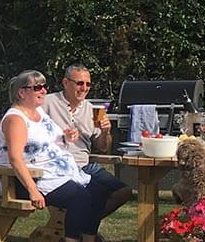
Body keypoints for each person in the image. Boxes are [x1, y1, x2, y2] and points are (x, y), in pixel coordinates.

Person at [0, 70, 111, 242]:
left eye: (44, 86)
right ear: (21, 93)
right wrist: (33, 191)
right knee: (80, 197)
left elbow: (48, 141)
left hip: (53, 172)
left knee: (99, 190)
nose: (43, 91)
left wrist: (66, 137)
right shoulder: (16, 119)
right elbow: (15, 159)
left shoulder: (38, 113)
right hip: (23, 181)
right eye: (37, 87)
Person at [40, 64, 134, 216]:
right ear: (65, 83)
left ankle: (83, 221)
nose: (84, 88)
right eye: (80, 83)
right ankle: (83, 224)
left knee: (123, 192)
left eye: (88, 84)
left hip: (84, 166)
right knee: (91, 196)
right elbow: (24, 122)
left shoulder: (92, 110)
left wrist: (105, 132)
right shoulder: (47, 103)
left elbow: (103, 148)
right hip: (57, 168)